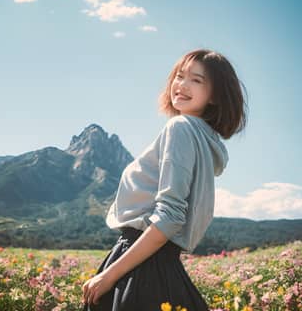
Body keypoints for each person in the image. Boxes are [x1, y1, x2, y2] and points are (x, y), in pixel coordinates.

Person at [82, 48, 248, 311]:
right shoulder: (204, 140)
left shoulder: (180, 127)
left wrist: (108, 276)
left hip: (140, 264)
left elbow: (169, 217)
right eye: (179, 76)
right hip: (164, 266)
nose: (181, 85)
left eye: (196, 79)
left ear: (215, 95)